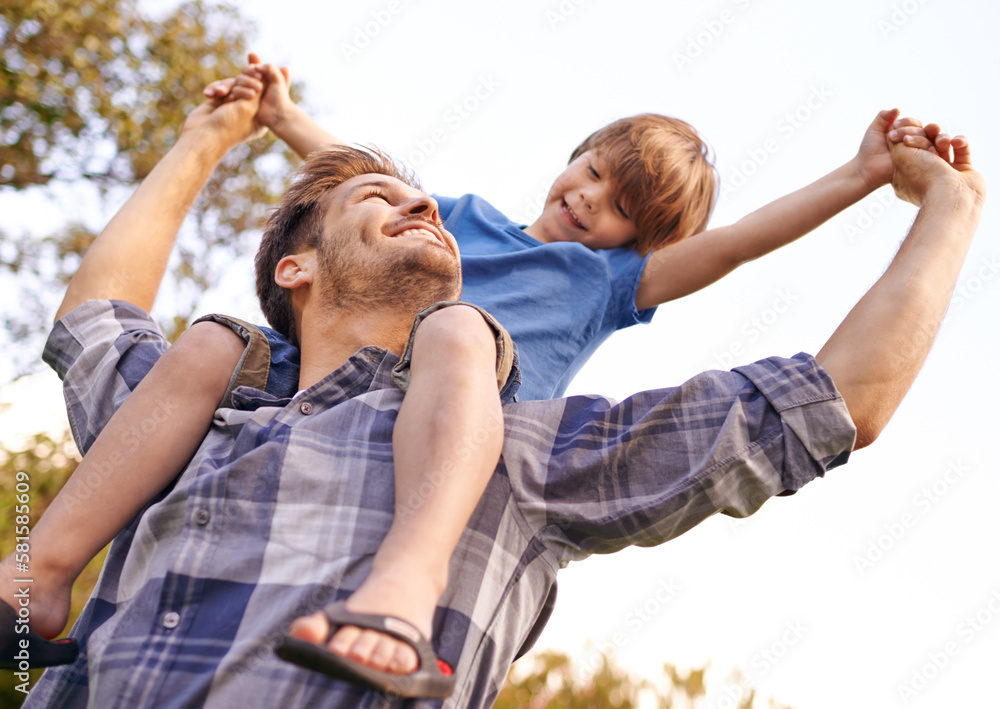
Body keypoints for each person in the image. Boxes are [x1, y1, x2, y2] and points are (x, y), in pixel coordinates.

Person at [10, 70, 985, 707]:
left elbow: (813, 367)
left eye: (616, 211)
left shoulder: (595, 299)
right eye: (591, 173)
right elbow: (105, 316)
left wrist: (868, 180)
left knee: (459, 331)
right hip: (279, 373)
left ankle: (401, 587)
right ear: (298, 268)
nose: (587, 203)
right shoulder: (187, 416)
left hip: (465, 424)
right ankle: (34, 573)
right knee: (216, 338)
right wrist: (233, 127)